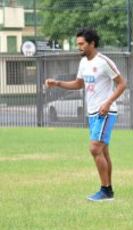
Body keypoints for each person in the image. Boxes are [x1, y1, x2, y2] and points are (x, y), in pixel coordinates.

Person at [45, 28, 127, 202]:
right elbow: (79, 84)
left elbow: (121, 84)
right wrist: (58, 83)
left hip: (105, 112)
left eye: (82, 44)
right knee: (103, 152)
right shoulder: (83, 63)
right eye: (78, 44)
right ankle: (109, 190)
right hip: (92, 114)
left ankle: (105, 190)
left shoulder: (104, 61)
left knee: (95, 148)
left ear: (92, 44)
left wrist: (107, 102)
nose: (79, 47)